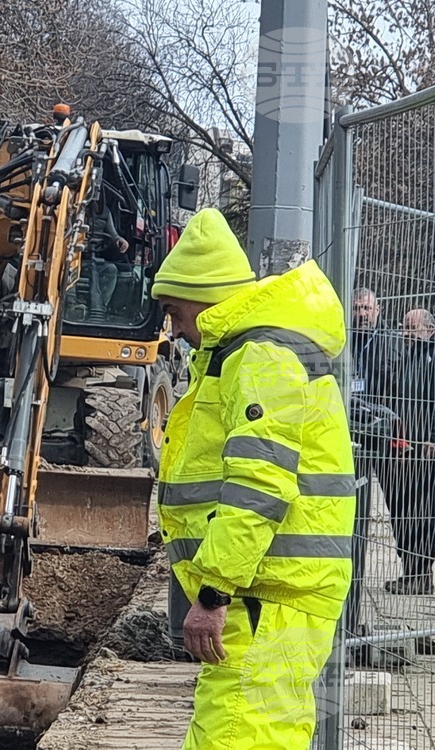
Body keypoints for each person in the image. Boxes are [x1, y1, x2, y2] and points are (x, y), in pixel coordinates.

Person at [151, 208, 355, 749]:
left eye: (175, 311)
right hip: (272, 593)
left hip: (262, 593)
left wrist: (213, 592)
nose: (176, 329)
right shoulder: (259, 352)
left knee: (239, 732)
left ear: (204, 298)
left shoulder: (259, 357)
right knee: (252, 729)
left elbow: (258, 486)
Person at [383, 308, 435, 594]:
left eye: (412, 327)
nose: (405, 332)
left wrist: (433, 438)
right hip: (406, 447)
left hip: (427, 450)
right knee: (404, 511)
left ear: (430, 330)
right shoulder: (408, 356)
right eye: (404, 326)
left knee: (421, 513)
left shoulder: (432, 357)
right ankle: (415, 574)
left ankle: (418, 574)